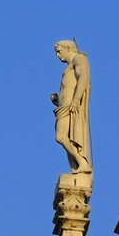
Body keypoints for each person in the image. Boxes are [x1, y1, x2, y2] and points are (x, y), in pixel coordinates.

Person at [52, 39, 92, 174]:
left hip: (71, 106)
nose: (58, 55)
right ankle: (77, 167)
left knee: (61, 136)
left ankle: (82, 163)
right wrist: (57, 101)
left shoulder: (79, 58)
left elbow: (83, 78)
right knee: (66, 138)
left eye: (59, 51)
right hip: (63, 107)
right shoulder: (69, 66)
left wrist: (76, 100)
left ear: (68, 48)